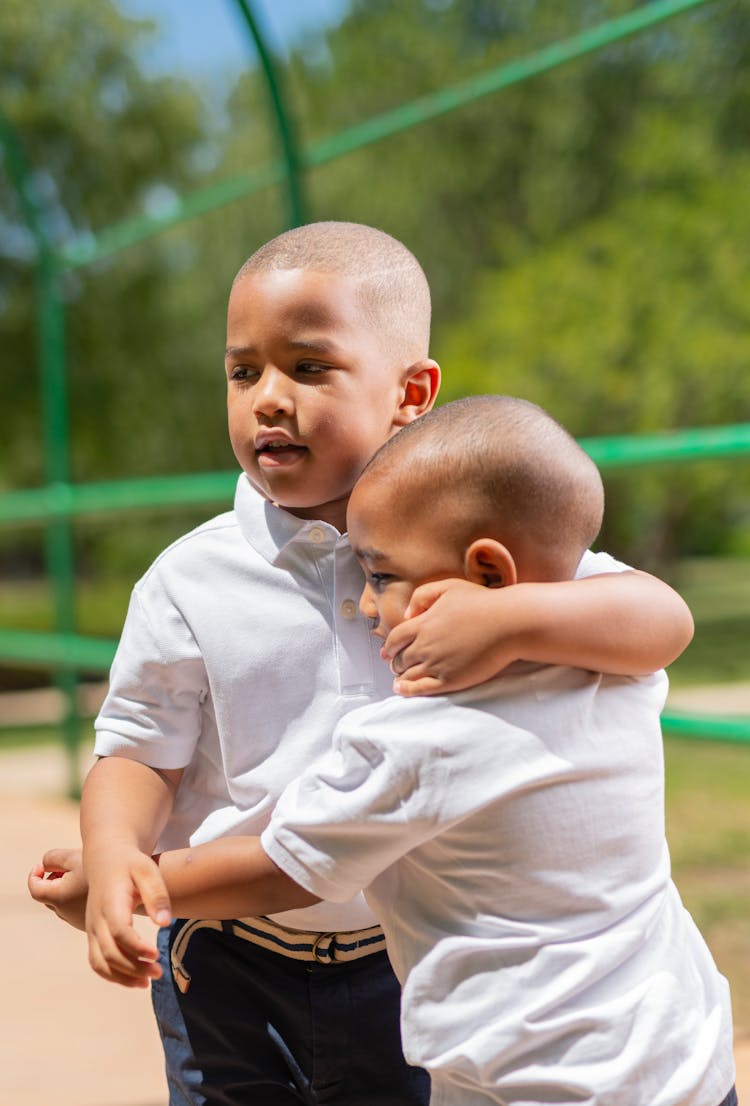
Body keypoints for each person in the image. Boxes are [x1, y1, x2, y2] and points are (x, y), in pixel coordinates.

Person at [30, 225, 696, 1106]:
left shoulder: (468, 544)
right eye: (243, 372)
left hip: (409, 954)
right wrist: (118, 855)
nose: (268, 398)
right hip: (227, 958)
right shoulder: (192, 577)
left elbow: (662, 617)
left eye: (308, 368)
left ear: (411, 391)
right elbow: (139, 747)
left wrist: (506, 618)